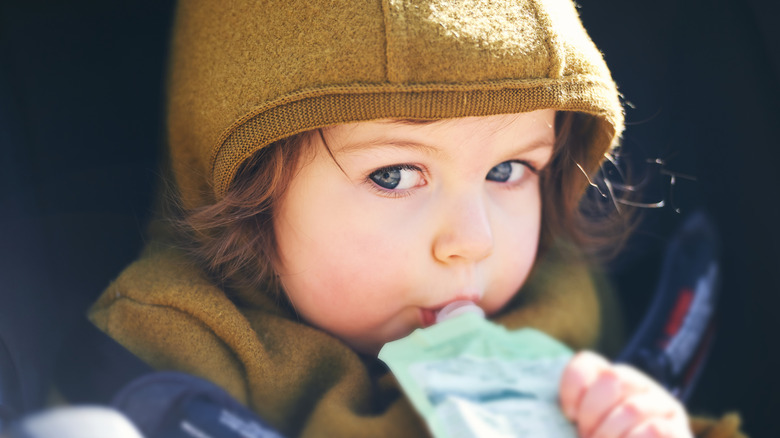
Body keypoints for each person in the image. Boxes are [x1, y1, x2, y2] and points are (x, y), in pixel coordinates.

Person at [87, 0, 744, 436]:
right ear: (249, 193)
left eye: (509, 171)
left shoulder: (563, 307)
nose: (472, 242)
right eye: (394, 176)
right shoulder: (174, 347)